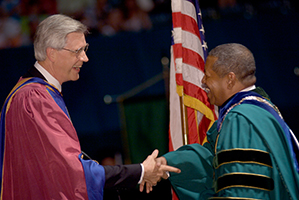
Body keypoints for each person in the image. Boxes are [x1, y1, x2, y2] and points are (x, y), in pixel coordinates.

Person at [0, 14, 180, 200]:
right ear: (51, 53)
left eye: (85, 49)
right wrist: (141, 171)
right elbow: (72, 172)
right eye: (77, 51)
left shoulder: (32, 92)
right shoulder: (35, 98)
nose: (85, 58)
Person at [156, 43, 299, 199]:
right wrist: (166, 163)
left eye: (208, 75)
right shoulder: (257, 108)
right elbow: (212, 157)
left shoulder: (240, 120)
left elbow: (243, 190)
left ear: (230, 79)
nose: (203, 81)